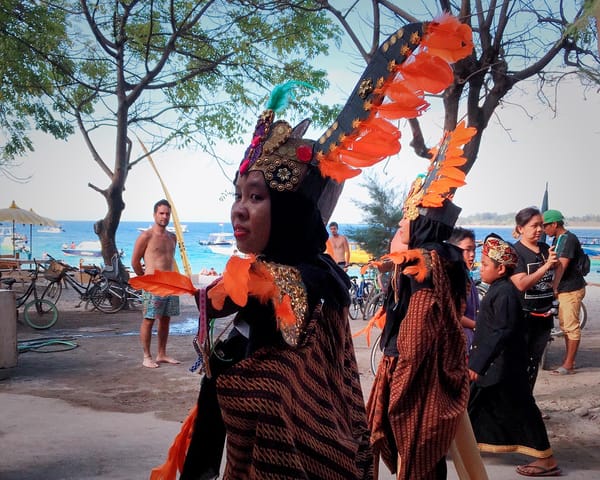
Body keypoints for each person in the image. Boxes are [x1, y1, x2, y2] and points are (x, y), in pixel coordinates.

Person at [367, 121, 477, 479]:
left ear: (421, 227)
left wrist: (394, 374)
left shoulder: (425, 268)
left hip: (417, 376)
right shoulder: (443, 258)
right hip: (430, 369)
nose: (400, 225)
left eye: (406, 220)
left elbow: (414, 339)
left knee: (413, 447)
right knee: (427, 458)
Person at [468, 234, 561, 477]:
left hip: (504, 367)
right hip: (497, 365)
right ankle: (459, 445)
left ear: (500, 269)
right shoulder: (500, 289)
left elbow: (501, 332)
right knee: (475, 405)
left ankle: (546, 459)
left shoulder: (505, 294)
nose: (480, 266)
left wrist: (477, 363)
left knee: (522, 410)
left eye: (485, 264)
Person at [511, 207, 560, 390]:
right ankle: (518, 406)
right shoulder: (516, 252)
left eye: (541, 225)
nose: (539, 229)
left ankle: (528, 403)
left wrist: (554, 276)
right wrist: (546, 267)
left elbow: (554, 274)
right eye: (534, 226)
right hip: (524, 317)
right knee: (519, 364)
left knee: (534, 362)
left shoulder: (545, 249)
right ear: (521, 228)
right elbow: (521, 284)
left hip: (545, 316)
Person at [131, 199, 181, 369]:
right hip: (153, 285)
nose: (164, 216)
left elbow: (170, 260)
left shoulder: (172, 237)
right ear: (154, 215)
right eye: (161, 213)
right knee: (149, 319)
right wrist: (145, 278)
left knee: (166, 320)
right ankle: (147, 356)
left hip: (170, 284)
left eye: (167, 214)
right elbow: (135, 261)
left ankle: (162, 353)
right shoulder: (146, 236)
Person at [542, 209, 587, 375]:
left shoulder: (567, 239)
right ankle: (569, 361)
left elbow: (562, 265)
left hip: (570, 288)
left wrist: (554, 286)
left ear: (554, 224)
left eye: (545, 225)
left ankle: (568, 364)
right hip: (566, 288)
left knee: (570, 327)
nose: (543, 229)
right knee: (566, 326)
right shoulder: (559, 238)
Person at [448, 227, 479, 353]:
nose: (472, 254)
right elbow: (453, 313)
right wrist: (477, 326)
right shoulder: (452, 278)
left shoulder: (466, 275)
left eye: (474, 250)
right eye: (467, 250)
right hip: (457, 342)